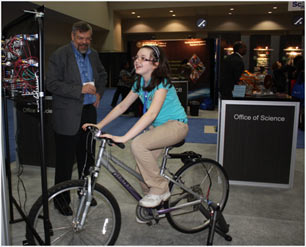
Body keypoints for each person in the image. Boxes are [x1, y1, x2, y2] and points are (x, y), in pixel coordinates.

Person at [83, 45, 188, 209]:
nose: (137, 61)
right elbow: (121, 107)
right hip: (159, 128)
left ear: (156, 64)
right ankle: (154, 203)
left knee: (138, 144)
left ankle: (160, 188)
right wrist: (98, 125)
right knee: (141, 169)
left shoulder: (162, 83)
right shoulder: (140, 82)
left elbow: (151, 114)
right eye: (136, 57)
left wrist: (124, 137)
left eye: (143, 58)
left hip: (176, 125)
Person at [46, 21, 107, 215]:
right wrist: (78, 89)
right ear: (72, 36)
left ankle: (85, 192)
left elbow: (103, 75)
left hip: (89, 112)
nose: (85, 42)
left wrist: (99, 94)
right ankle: (61, 201)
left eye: (88, 38)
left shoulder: (94, 54)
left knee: (87, 158)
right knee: (65, 162)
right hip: (67, 115)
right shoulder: (60, 55)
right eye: (81, 38)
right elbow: (51, 84)